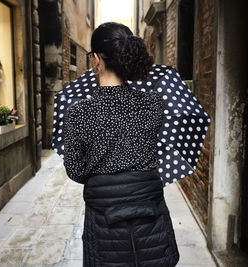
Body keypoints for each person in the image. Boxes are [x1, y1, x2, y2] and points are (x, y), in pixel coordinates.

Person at [63, 22, 180, 267]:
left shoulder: (79, 113)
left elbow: (75, 171)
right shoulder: (153, 104)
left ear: (96, 59)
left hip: (104, 222)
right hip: (150, 216)